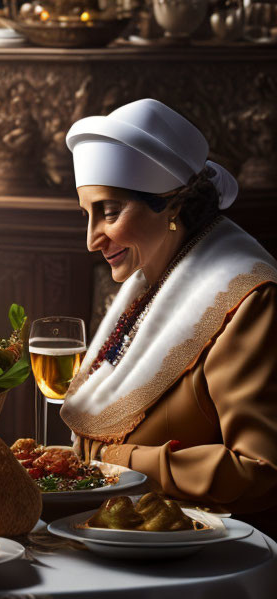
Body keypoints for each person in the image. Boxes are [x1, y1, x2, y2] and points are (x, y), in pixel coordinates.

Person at [60, 99, 277, 532]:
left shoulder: (250, 300)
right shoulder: (149, 285)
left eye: (109, 211)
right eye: (87, 215)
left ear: (172, 204)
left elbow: (262, 472)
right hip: (127, 537)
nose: (91, 240)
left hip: (213, 558)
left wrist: (117, 461)